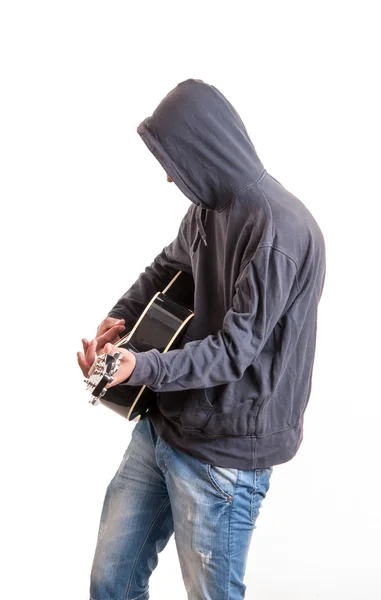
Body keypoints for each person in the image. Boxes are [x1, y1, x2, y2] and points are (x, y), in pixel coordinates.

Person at [77, 78, 326, 600]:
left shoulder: (281, 232)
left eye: (174, 160)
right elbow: (165, 269)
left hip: (225, 459)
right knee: (110, 582)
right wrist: (116, 326)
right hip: (164, 427)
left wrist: (139, 369)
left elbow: (235, 351)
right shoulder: (208, 209)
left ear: (204, 147)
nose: (169, 176)